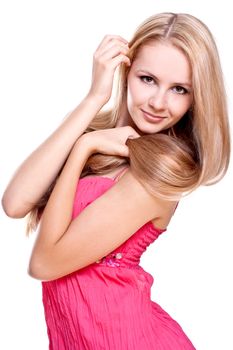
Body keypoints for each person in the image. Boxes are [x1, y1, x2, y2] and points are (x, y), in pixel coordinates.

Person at [1, 12, 230, 350]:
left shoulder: (160, 170)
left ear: (196, 99)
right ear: (126, 69)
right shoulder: (99, 134)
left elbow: (44, 263)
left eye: (179, 89)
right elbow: (15, 202)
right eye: (147, 79)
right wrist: (94, 98)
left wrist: (82, 148)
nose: (157, 102)